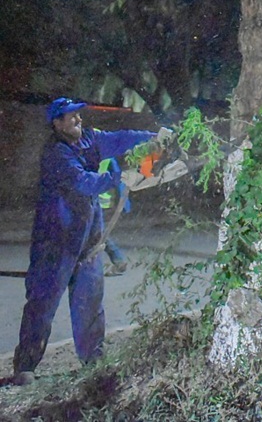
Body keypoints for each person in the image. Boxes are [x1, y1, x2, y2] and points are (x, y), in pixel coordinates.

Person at [12, 97, 164, 385]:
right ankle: (25, 366)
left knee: (90, 303)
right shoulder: (56, 154)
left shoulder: (90, 139)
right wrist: (120, 176)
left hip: (89, 242)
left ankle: (93, 362)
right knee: (42, 306)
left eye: (78, 115)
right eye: (71, 117)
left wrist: (154, 138)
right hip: (56, 244)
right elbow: (85, 183)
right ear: (57, 124)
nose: (78, 119)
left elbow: (120, 139)